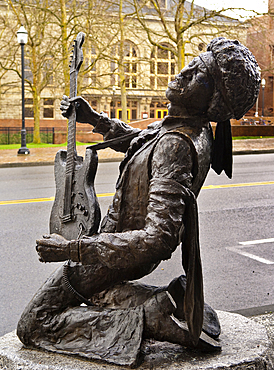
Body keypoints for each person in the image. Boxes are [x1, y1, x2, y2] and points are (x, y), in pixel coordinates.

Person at [17, 37, 260, 367]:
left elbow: (159, 240)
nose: (185, 71)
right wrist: (95, 118)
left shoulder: (176, 145)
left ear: (212, 100)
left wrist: (72, 249)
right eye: (193, 62)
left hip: (117, 252)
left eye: (198, 76)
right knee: (100, 295)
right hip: (115, 249)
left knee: (36, 322)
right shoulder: (186, 126)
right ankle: (163, 303)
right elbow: (139, 139)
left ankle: (148, 318)